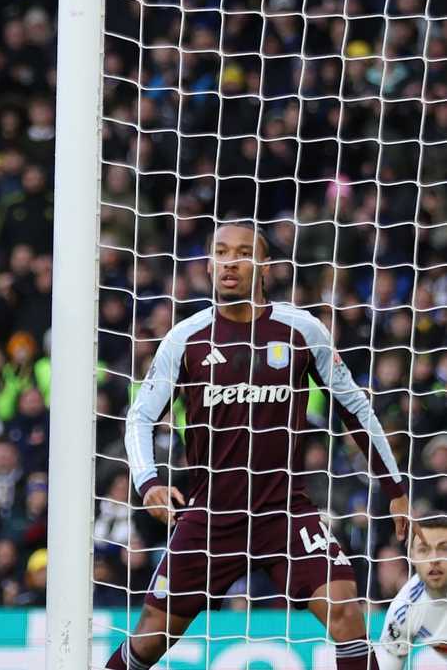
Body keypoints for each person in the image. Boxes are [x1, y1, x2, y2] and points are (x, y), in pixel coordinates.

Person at [106, 221, 409, 670]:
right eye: (221, 252)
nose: (230, 262)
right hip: (211, 517)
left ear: (265, 265)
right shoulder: (184, 339)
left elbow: (356, 412)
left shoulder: (302, 330)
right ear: (209, 264)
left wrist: (397, 492)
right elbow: (140, 416)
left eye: (243, 252)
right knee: (149, 640)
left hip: (284, 511)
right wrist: (148, 481)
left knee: (347, 614)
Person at [377, 514, 447, 670]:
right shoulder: (404, 611)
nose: (434, 559)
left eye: (444, 549)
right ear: (411, 555)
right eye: (424, 550)